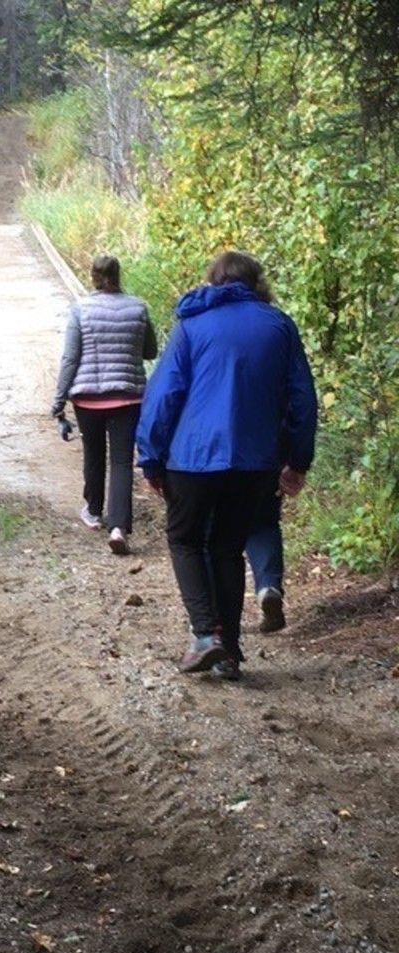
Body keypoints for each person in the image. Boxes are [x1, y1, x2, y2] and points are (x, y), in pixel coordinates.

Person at [136, 250, 317, 679]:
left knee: (185, 541)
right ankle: (230, 653)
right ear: (257, 283)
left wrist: (151, 458)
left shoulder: (192, 327)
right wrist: (297, 460)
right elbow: (302, 399)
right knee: (227, 548)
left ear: (214, 282)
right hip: (255, 461)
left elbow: (164, 396)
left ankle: (206, 635)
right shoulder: (279, 326)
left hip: (193, 458)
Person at [51, 255, 157, 554]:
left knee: (93, 452)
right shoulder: (138, 307)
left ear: (93, 277)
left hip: (88, 397)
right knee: (122, 460)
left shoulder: (81, 310)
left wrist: (59, 400)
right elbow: (149, 351)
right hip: (127, 395)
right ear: (118, 275)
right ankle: (119, 527)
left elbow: (71, 358)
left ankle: (94, 510)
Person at [246, 489, 287, 633]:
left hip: (207, 473)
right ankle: (268, 587)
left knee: (214, 537)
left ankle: (214, 615)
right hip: (260, 470)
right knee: (262, 524)